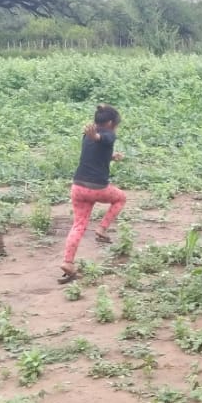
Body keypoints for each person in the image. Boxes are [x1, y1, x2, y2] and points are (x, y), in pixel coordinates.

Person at [60, 104, 126, 283]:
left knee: (78, 225)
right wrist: (96, 136)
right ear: (111, 123)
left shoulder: (87, 136)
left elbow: (97, 148)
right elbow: (102, 139)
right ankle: (102, 229)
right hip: (97, 188)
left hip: (78, 187)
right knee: (121, 197)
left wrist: (111, 156)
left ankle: (68, 262)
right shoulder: (108, 135)